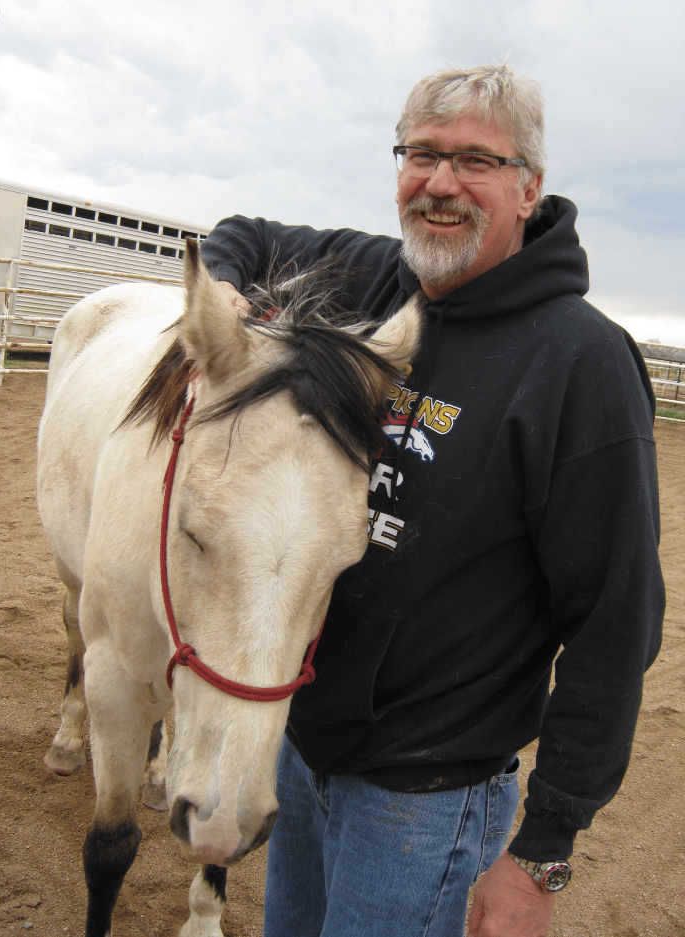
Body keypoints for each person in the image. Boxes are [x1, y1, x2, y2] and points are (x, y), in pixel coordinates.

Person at [199, 63, 665, 937]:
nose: (441, 182)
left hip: (425, 798)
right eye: (421, 154)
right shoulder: (379, 278)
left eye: (475, 162)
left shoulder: (580, 363)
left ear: (528, 188)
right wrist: (224, 289)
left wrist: (541, 853)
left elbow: (616, 622)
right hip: (302, 753)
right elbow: (244, 234)